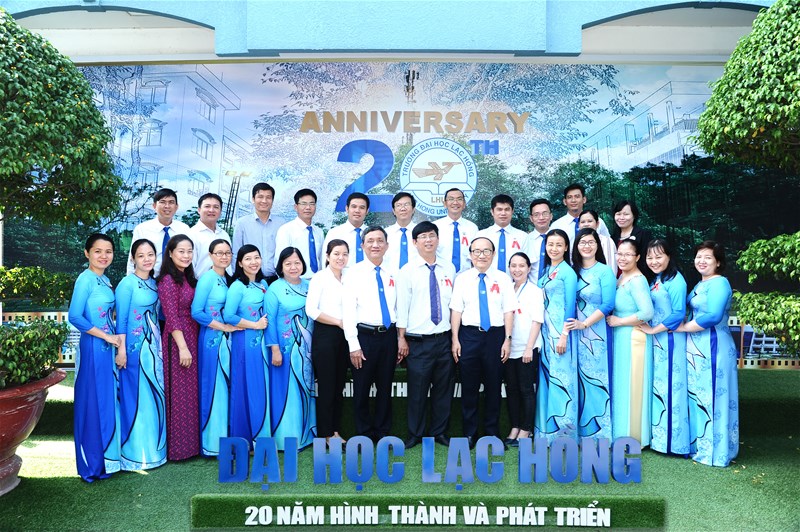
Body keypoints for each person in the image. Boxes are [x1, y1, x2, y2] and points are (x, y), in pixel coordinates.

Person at [675, 241, 739, 467]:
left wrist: (683, 328)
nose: (701, 261)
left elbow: (713, 316)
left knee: (714, 396)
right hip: (697, 345)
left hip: (714, 345)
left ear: (718, 262)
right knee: (699, 395)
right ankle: (701, 445)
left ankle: (716, 453)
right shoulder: (700, 284)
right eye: (699, 256)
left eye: (708, 257)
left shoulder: (720, 283)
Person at [450, 236, 516, 448]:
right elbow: (456, 311)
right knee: (469, 387)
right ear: (470, 255)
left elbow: (508, 311)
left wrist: (507, 340)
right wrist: (455, 340)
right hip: (469, 337)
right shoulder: (462, 279)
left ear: (493, 254)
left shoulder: (503, 278)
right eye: (477, 251)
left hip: (495, 337)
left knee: (493, 387)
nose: (481, 255)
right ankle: (470, 433)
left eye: (486, 251)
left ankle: (492, 433)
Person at [396, 221, 456, 449]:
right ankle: (415, 434)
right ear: (415, 242)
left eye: (432, 235)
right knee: (418, 391)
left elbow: (453, 305)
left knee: (443, 390)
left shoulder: (449, 268)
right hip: (418, 342)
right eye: (423, 237)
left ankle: (439, 432)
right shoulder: (407, 271)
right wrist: (401, 338)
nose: (428, 240)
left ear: (438, 239)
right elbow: (402, 307)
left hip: (444, 339)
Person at [68, 233, 122, 482]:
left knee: (105, 400)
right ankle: (91, 465)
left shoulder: (105, 279)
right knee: (92, 401)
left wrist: (112, 339)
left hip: (106, 348)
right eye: (98, 251)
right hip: (93, 347)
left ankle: (106, 460)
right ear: (87, 253)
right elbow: (75, 317)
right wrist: (106, 336)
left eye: (108, 251)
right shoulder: (85, 279)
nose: (103, 256)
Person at [342, 226, 400, 442]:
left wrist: (400, 338)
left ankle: (383, 433)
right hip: (364, 337)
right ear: (362, 245)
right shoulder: (353, 273)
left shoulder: (394, 271)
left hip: (389, 336)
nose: (375, 245)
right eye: (370, 241)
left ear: (387, 245)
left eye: (380, 240)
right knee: (362, 388)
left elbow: (398, 306)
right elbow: (348, 311)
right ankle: (364, 435)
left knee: (385, 387)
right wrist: (353, 345)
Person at [115, 239, 166, 471]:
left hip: (154, 348)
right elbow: (122, 320)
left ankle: (155, 452)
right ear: (133, 259)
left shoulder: (154, 283)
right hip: (133, 350)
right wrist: (122, 350)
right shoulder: (127, 284)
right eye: (141, 255)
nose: (147, 259)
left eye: (150, 254)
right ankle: (134, 454)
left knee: (154, 396)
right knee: (135, 397)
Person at [637, 239, 690, 456]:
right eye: (650, 257)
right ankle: (659, 439)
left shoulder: (676, 280)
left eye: (658, 256)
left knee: (671, 388)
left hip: (670, 340)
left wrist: (653, 330)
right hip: (658, 342)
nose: (654, 261)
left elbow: (678, 314)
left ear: (669, 256)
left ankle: (674, 443)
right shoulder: (657, 279)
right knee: (659, 387)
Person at [564, 228, 616, 441]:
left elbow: (608, 304)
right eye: (582, 242)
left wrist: (585, 324)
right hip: (573, 334)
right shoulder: (571, 271)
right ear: (576, 246)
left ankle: (598, 434)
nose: (586, 246)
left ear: (597, 245)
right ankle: (576, 430)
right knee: (576, 380)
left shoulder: (605, 271)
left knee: (596, 380)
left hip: (596, 333)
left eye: (590, 242)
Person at [191, 239, 240, 457]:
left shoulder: (227, 278)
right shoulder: (207, 279)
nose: (224, 257)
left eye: (227, 253)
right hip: (212, 339)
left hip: (227, 339)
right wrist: (223, 327)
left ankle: (227, 438)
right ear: (210, 255)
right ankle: (212, 443)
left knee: (226, 385)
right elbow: (197, 312)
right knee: (214, 386)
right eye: (219, 253)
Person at [265, 247, 316, 450]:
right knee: (287, 391)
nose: (293, 267)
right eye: (288, 264)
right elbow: (269, 321)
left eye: (297, 263)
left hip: (307, 349)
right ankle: (286, 437)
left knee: (306, 388)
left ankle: (307, 434)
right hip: (284, 351)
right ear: (281, 266)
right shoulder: (274, 289)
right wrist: (275, 349)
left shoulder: (310, 285)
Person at [156, 234, 200, 460]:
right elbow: (171, 317)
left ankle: (192, 446)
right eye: (181, 251)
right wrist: (182, 347)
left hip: (193, 334)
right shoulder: (167, 280)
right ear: (170, 253)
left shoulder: (188, 278)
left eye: (189, 251)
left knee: (191, 392)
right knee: (180, 393)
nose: (186, 255)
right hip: (178, 339)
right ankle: (179, 448)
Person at [607, 239, 654, 446]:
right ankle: (620, 432)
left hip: (634, 339)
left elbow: (647, 312)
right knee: (622, 385)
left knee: (633, 386)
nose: (622, 258)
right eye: (619, 254)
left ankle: (634, 437)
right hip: (622, 338)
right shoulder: (622, 277)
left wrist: (619, 321)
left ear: (637, 257)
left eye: (628, 254)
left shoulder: (637, 280)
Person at [534, 229, 578, 442]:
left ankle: (565, 435)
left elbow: (570, 306)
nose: (554, 248)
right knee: (547, 380)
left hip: (560, 334)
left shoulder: (568, 272)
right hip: (545, 334)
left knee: (562, 381)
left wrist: (564, 335)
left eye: (559, 244)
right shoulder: (545, 271)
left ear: (566, 247)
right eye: (550, 244)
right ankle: (546, 431)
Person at [224, 244, 270, 445]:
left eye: (256, 257)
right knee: (244, 387)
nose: (254, 262)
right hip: (244, 343)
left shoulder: (263, 284)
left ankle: (261, 436)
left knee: (260, 387)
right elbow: (229, 316)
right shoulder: (237, 286)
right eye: (248, 259)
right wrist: (255, 325)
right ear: (240, 263)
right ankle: (244, 439)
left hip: (261, 344)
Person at [306, 239, 350, 444]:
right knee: (327, 385)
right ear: (327, 256)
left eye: (344, 254)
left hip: (346, 335)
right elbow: (311, 310)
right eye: (336, 254)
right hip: (326, 334)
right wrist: (338, 322)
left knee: (339, 384)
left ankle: (335, 431)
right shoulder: (319, 278)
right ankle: (326, 433)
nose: (341, 258)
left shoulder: (350, 276)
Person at [503, 252, 544, 447]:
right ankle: (515, 426)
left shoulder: (535, 291)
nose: (517, 269)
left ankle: (526, 430)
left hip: (527, 347)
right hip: (509, 347)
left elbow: (537, 321)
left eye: (521, 266)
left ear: (529, 268)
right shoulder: (507, 289)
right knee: (511, 389)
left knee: (526, 389)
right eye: (513, 265)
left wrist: (529, 348)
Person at [127, 188, 191, 277]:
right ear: (154, 206)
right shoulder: (142, 229)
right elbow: (133, 259)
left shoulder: (184, 229)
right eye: (162, 202)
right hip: (150, 280)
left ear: (176, 207)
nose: (167, 206)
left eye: (171, 202)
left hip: (177, 280)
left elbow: (190, 257)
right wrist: (131, 279)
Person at [232, 182, 284, 284]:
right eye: (260, 197)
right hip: (249, 280)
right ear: (253, 199)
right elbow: (236, 253)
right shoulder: (242, 223)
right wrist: (238, 278)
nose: (264, 201)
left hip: (276, 280)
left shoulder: (281, 223)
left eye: (268, 197)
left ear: (272, 200)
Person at [273, 189, 324, 280]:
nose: (308, 207)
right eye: (303, 204)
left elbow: (321, 258)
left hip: (317, 281)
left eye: (311, 204)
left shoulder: (319, 232)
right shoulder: (286, 230)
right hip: (295, 281)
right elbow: (280, 260)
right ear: (296, 207)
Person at [476, 194, 527, 273]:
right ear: (492, 212)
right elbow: (475, 262)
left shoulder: (523, 236)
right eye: (499, 209)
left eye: (507, 209)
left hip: (513, 280)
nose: (503, 213)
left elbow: (527, 263)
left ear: (512, 211)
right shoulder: (481, 235)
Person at [434, 187, 479, 273]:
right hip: (440, 274)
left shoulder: (473, 228)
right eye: (451, 199)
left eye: (459, 199)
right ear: (445, 203)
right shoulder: (435, 227)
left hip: (466, 275)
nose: (455, 202)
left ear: (464, 204)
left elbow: (476, 254)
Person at [551, 183, 610, 248]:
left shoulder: (597, 222)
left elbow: (608, 244)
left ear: (584, 199)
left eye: (577, 196)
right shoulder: (556, 226)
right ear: (565, 201)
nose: (573, 200)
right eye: (569, 197)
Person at [322, 192, 370, 270]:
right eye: (354, 207)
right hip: (342, 276)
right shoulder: (334, 233)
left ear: (367, 211)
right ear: (347, 209)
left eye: (362, 207)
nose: (357, 210)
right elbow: (325, 261)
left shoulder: (372, 234)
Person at [190, 193, 231, 278]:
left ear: (220, 211)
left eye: (216, 207)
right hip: (199, 283)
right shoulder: (192, 234)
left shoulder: (224, 234)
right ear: (199, 210)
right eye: (207, 206)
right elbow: (189, 266)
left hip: (225, 283)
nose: (211, 210)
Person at [611, 200, 652, 278]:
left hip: (637, 278)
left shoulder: (643, 235)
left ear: (634, 216)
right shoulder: (612, 238)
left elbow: (646, 261)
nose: (621, 217)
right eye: (618, 214)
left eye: (626, 214)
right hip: (617, 280)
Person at [384, 192, 419, 271]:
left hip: (416, 275)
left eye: (406, 204)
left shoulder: (421, 233)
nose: (403, 208)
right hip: (391, 276)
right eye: (398, 205)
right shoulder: (385, 234)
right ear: (393, 211)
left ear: (413, 209)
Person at [522, 199, 553, 282]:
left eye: (545, 214)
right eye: (536, 215)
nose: (541, 218)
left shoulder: (559, 239)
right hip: (532, 288)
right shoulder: (525, 240)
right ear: (531, 218)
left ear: (551, 216)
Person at [578, 209, 617, 275]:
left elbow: (611, 267)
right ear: (579, 225)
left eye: (590, 221)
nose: (586, 224)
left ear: (597, 224)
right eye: (583, 222)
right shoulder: (577, 241)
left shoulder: (606, 241)